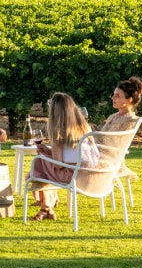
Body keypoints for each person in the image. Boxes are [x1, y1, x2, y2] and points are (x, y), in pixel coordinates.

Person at [27, 92, 99, 221]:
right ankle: (46, 208)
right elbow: (71, 155)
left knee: (38, 165)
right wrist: (49, 151)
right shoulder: (83, 126)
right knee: (41, 164)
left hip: (72, 176)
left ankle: (46, 208)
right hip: (89, 174)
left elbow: (58, 165)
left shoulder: (59, 131)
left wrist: (45, 153)